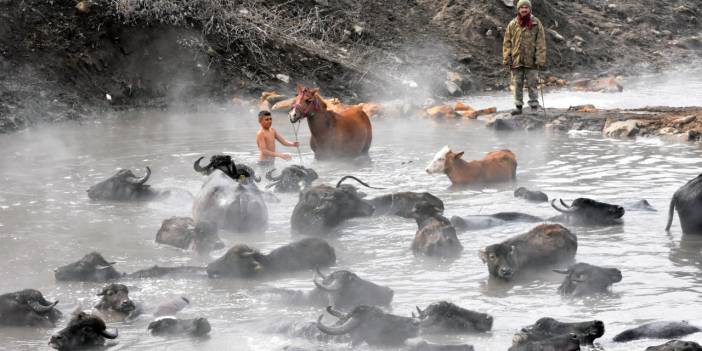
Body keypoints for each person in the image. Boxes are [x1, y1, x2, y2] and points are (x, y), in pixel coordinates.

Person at [502, 0, 546, 115]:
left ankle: (534, 105)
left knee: (532, 83)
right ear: (518, 9)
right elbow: (507, 42)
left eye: (526, 7)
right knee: (517, 84)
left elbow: (541, 42)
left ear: (530, 9)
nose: (524, 9)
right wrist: (507, 57)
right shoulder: (512, 24)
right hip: (516, 59)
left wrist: (540, 59)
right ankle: (518, 106)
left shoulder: (536, 23)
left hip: (531, 60)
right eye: (522, 7)